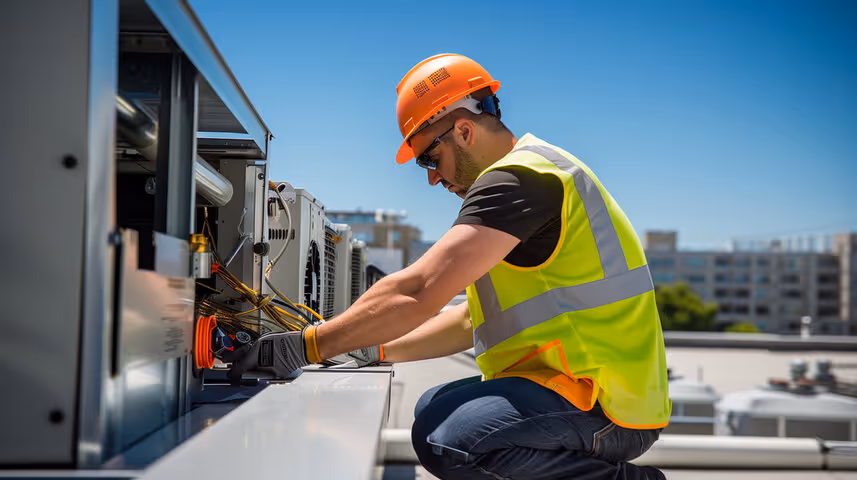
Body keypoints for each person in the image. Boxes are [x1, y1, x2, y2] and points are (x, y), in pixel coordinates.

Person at [228, 54, 670, 479]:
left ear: (462, 130)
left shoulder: (518, 180)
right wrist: (371, 349)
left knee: (450, 438)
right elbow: (468, 318)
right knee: (431, 408)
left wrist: (307, 346)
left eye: (429, 158)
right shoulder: (531, 177)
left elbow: (419, 289)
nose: (431, 178)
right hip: (593, 394)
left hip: (604, 406)